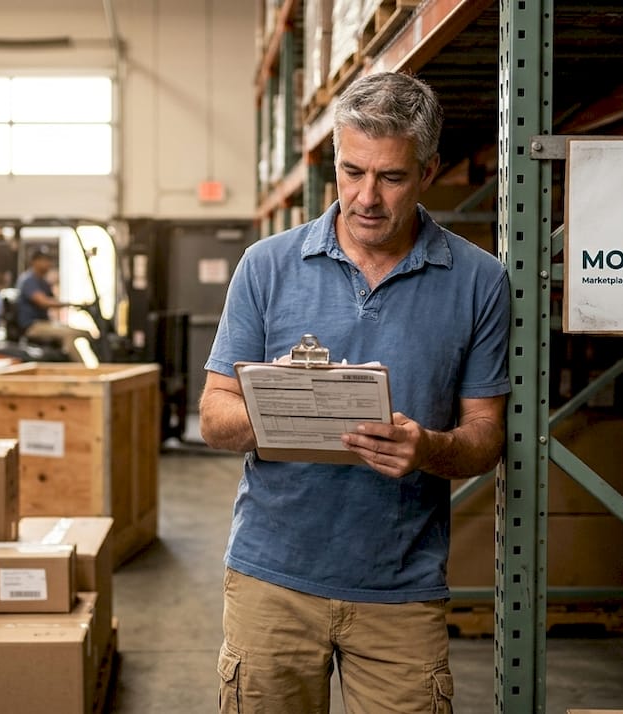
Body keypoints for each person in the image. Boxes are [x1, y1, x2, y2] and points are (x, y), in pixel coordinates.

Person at [199, 72, 510, 713]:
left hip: (401, 589)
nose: (365, 197)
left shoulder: (479, 281)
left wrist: (426, 448)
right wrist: (280, 405)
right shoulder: (266, 266)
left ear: (429, 170)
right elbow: (213, 417)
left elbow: (486, 436)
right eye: (351, 172)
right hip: (272, 581)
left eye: (391, 177)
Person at [14, 251, 93, 363]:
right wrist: (71, 304)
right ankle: (82, 369)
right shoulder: (29, 280)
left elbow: (53, 300)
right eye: (45, 260)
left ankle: (79, 367)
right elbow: (44, 302)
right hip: (33, 326)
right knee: (69, 334)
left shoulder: (43, 281)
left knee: (82, 333)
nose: (49, 264)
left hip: (44, 323)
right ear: (35, 262)